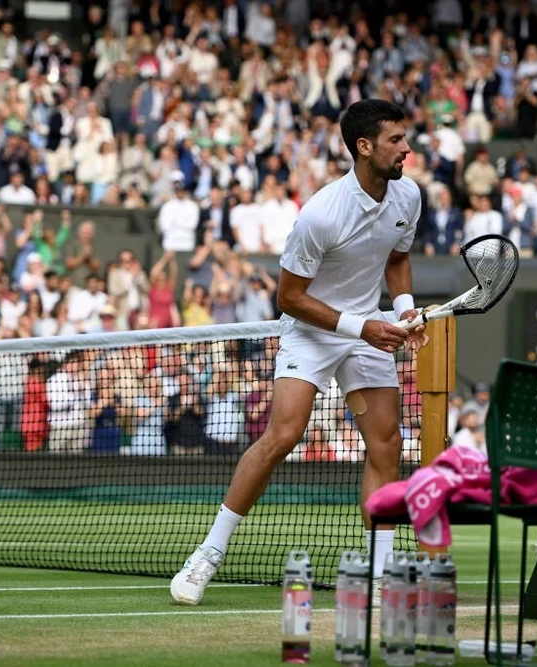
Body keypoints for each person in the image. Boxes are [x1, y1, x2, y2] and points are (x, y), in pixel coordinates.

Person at [171, 99, 427, 605]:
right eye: (396, 140)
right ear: (365, 147)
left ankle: (378, 574)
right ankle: (207, 554)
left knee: (387, 445)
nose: (407, 149)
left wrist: (404, 310)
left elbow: (398, 259)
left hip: (368, 329)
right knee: (283, 434)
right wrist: (362, 326)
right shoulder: (320, 214)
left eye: (405, 138)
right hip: (312, 327)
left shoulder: (408, 197)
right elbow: (288, 298)